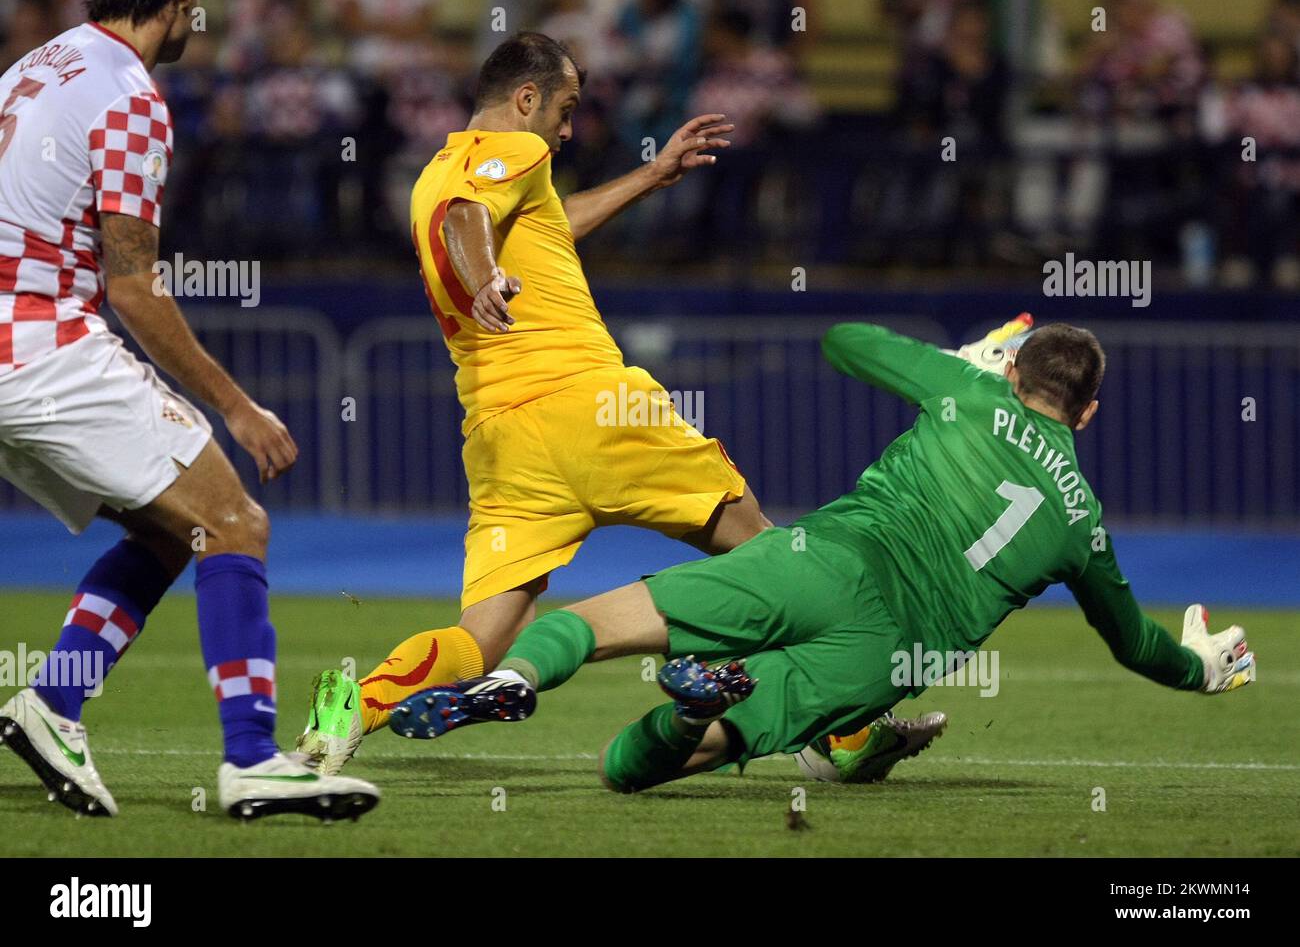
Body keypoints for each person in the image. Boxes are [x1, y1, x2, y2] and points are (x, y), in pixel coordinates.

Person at [389, 322, 1256, 794]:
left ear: (1013, 366)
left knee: (593, 620)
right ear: (1089, 413)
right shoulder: (1084, 523)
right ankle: (694, 715)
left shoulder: (966, 387)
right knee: (629, 770)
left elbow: (845, 341)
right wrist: (1201, 668)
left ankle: (518, 680)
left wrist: (960, 362)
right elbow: (1135, 646)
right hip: (882, 656)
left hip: (819, 558)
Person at [296, 32, 771, 772]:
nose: (569, 127)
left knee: (477, 640)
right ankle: (840, 732)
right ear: (526, 99)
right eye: (566, 108)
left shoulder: (432, 175)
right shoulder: (512, 155)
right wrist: (486, 277)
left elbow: (535, 223)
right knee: (775, 559)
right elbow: (470, 219)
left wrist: (651, 174)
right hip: (594, 405)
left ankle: (354, 704)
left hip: (501, 436)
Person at [0, 0, 379, 821]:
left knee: (176, 526)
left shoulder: (35, 66)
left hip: (9, 351)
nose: (197, 23)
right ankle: (252, 759)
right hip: (43, 347)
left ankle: (54, 701)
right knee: (236, 522)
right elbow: (133, 287)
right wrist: (237, 405)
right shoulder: (129, 94)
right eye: (194, 6)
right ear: (176, 3)